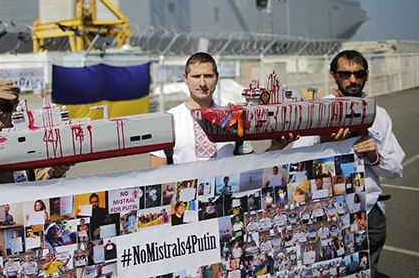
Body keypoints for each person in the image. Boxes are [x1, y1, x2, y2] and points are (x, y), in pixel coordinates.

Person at [290, 50, 404, 278]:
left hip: (370, 211)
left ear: (366, 76)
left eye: (358, 73)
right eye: (345, 74)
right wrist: (324, 142)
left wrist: (374, 156)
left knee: (367, 273)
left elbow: (397, 169)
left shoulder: (379, 114)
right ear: (333, 76)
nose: (353, 79)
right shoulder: (317, 112)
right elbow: (296, 163)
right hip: (329, 213)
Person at [150, 53, 294, 167]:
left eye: (208, 76)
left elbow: (252, 166)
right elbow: (156, 179)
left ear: (217, 78)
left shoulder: (234, 118)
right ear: (185, 79)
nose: (202, 83)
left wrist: (275, 148)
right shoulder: (168, 121)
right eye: (196, 76)